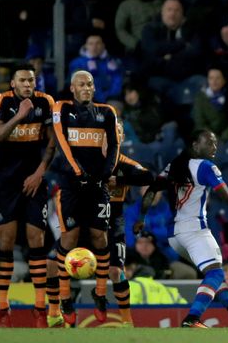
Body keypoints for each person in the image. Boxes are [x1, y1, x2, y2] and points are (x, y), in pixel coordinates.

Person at [136, 129, 228, 328]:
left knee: (213, 272)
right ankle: (193, 318)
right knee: (215, 273)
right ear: (195, 145)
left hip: (175, 237)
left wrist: (141, 217)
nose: (214, 147)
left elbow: (152, 189)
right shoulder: (206, 167)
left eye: (215, 143)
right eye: (209, 142)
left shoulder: (174, 165)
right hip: (195, 230)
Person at [0, 64, 56, 328]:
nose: (29, 84)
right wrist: (20, 116)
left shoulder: (46, 102)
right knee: (5, 241)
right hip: (6, 181)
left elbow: (52, 142)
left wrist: (40, 172)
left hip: (34, 179)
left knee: (36, 238)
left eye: (32, 80)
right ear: (13, 84)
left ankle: (40, 307)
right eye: (23, 81)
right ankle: (3, 306)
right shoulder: (1, 101)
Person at [51, 70, 120, 326]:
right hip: (70, 185)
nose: (87, 88)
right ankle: (65, 297)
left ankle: (100, 293)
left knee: (100, 237)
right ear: (72, 88)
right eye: (81, 84)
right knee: (69, 237)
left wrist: (106, 173)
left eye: (90, 83)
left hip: (97, 184)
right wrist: (78, 171)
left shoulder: (107, 112)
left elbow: (114, 145)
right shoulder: (61, 108)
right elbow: (62, 142)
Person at [103, 121, 155, 325]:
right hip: (88, 221)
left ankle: (126, 320)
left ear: (122, 138)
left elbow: (148, 176)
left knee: (116, 271)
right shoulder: (89, 160)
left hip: (114, 220)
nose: (115, 136)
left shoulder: (125, 163)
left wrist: (121, 181)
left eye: (119, 133)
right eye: (110, 133)